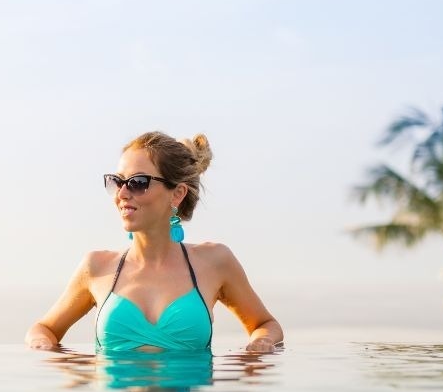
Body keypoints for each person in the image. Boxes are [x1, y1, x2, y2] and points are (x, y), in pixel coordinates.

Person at [25, 131, 283, 353]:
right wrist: (46, 349)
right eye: (117, 182)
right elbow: (44, 329)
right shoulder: (96, 267)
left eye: (138, 183)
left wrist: (259, 347)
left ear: (177, 194)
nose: (122, 194)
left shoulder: (216, 262)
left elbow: (265, 325)